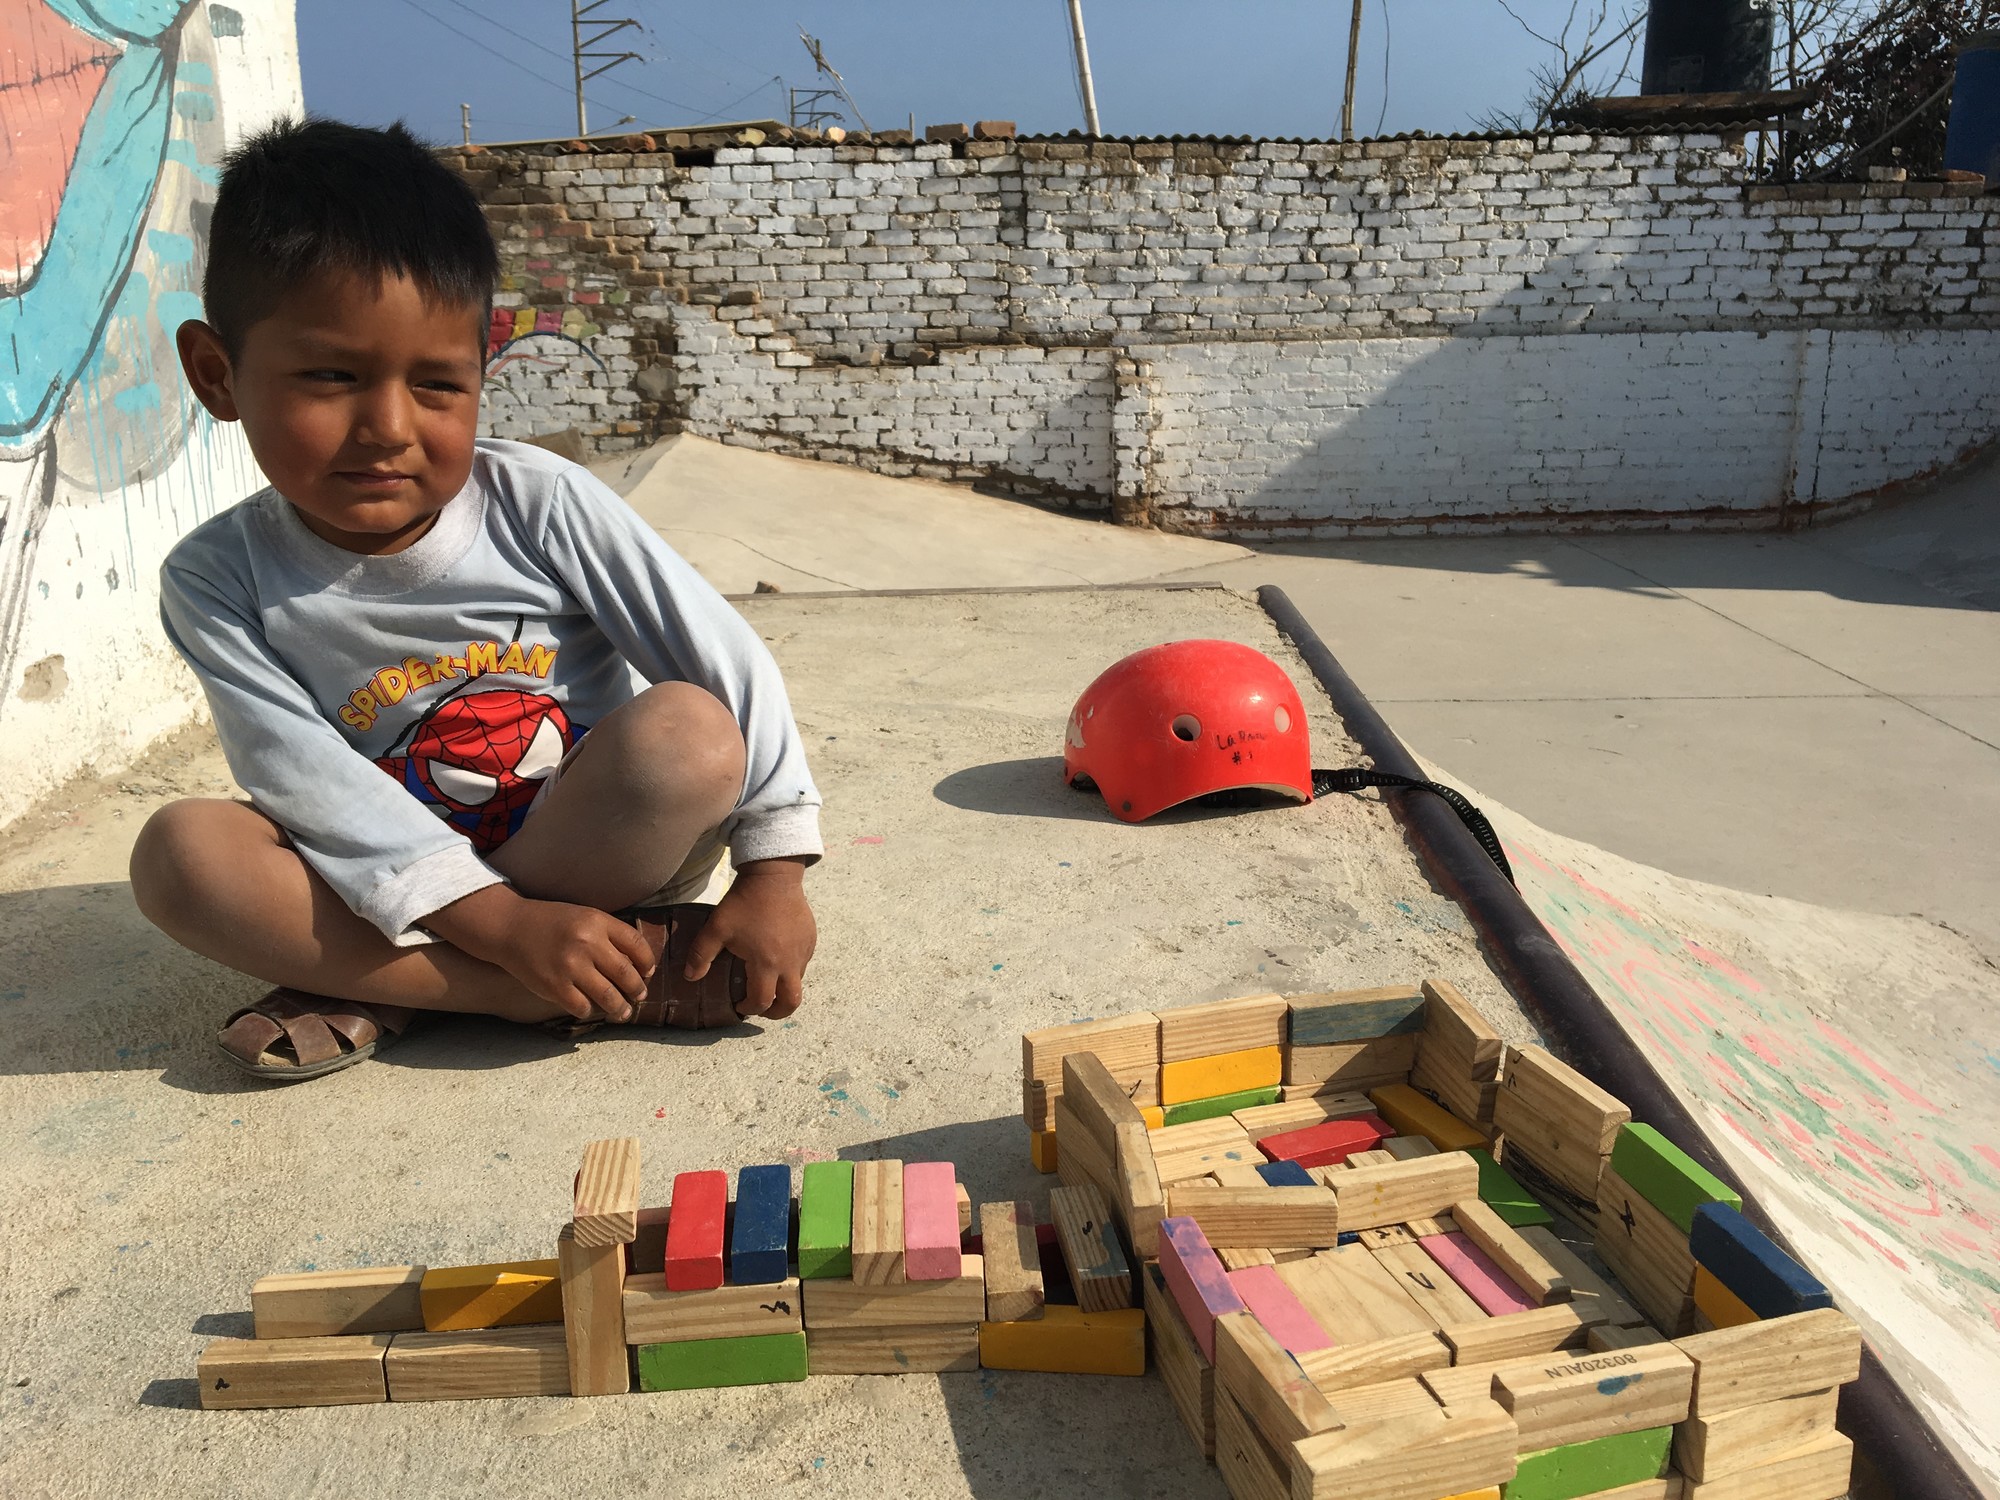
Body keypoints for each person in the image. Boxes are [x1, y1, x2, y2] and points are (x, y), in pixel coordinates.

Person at [129, 118, 822, 1081]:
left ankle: (385, 984)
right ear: (218, 373)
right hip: (388, 878)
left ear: (481, 373)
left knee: (690, 737)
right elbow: (303, 780)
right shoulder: (216, 577)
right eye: (331, 376)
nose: (388, 427)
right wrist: (501, 932)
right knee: (181, 855)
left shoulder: (539, 499)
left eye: (438, 384)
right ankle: (522, 987)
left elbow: (720, 658)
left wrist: (774, 868)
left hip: (593, 843)